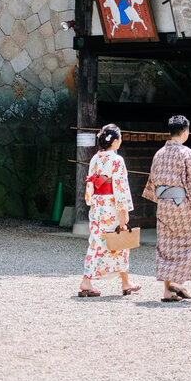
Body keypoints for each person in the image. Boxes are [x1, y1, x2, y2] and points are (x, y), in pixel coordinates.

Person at [142, 115, 191, 303]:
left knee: (166, 246)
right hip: (182, 205)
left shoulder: (159, 154)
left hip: (163, 205)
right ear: (185, 132)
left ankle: (168, 291)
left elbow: (152, 182)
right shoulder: (187, 153)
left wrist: (163, 201)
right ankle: (177, 284)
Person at [78, 123, 139, 297]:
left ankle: (87, 280)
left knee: (96, 242)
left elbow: (90, 183)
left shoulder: (95, 158)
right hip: (111, 205)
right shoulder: (117, 160)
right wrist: (123, 211)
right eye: (120, 138)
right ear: (115, 141)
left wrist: (91, 201)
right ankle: (125, 283)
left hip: (97, 205)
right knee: (120, 241)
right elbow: (120, 187)